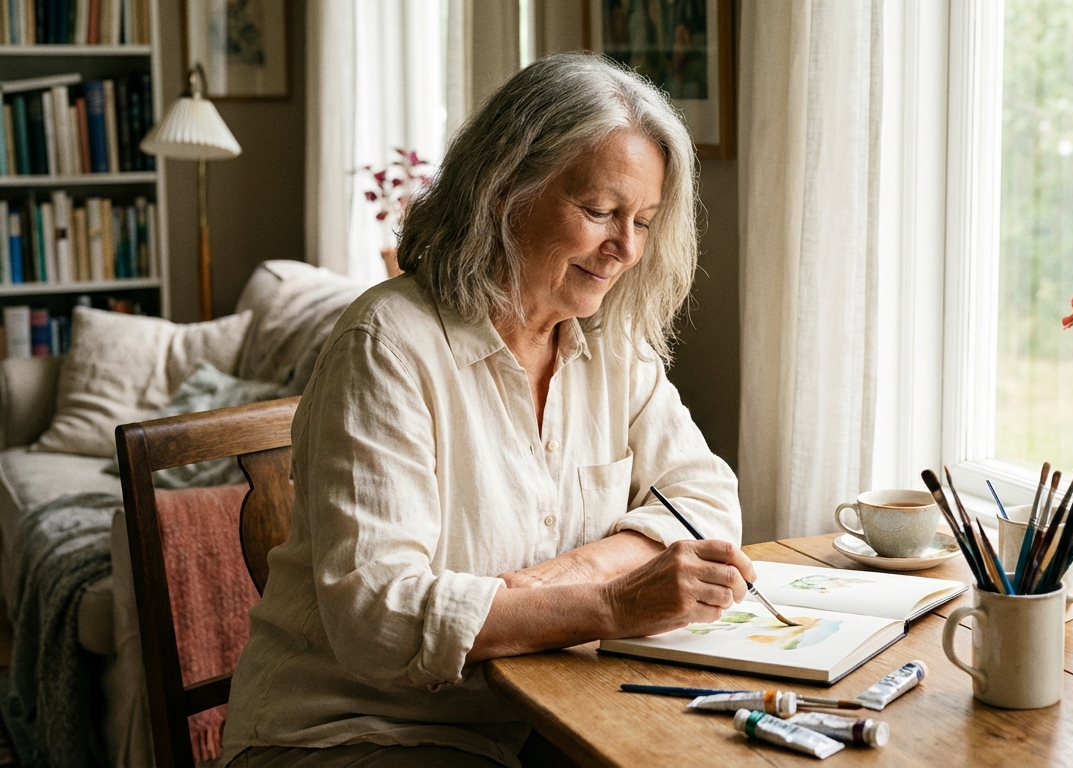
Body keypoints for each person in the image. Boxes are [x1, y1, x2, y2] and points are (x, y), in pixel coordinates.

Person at [221, 53, 751, 767]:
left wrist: (568, 576)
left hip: (536, 712)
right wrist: (615, 604)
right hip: (352, 730)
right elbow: (377, 614)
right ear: (504, 188)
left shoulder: (611, 343)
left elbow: (705, 498)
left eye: (644, 221)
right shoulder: (387, 345)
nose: (624, 248)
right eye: (599, 212)